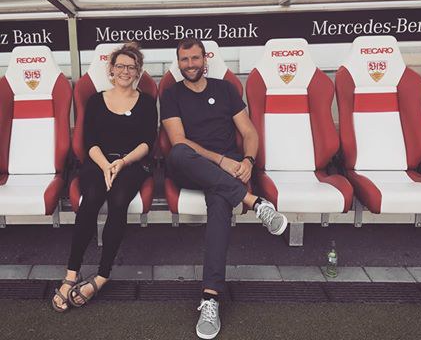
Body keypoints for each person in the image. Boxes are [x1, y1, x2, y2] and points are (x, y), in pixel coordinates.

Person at [161, 38, 288, 339]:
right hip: (190, 165)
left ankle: (210, 298)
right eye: (184, 60)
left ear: (205, 59)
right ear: (178, 63)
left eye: (195, 58)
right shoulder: (170, 94)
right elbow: (178, 141)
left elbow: (248, 131)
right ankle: (256, 203)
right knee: (178, 153)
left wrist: (247, 159)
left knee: (219, 204)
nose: (190, 64)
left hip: (230, 166)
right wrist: (221, 161)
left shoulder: (226, 89)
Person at [51, 42, 157, 312]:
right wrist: (107, 165)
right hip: (98, 161)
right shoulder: (96, 100)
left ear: (138, 72)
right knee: (92, 199)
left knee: (119, 200)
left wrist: (121, 163)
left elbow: (148, 142)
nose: (125, 71)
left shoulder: (146, 102)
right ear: (111, 69)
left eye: (131, 67)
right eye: (120, 65)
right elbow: (90, 141)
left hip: (131, 162)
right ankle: (71, 273)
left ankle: (102, 275)